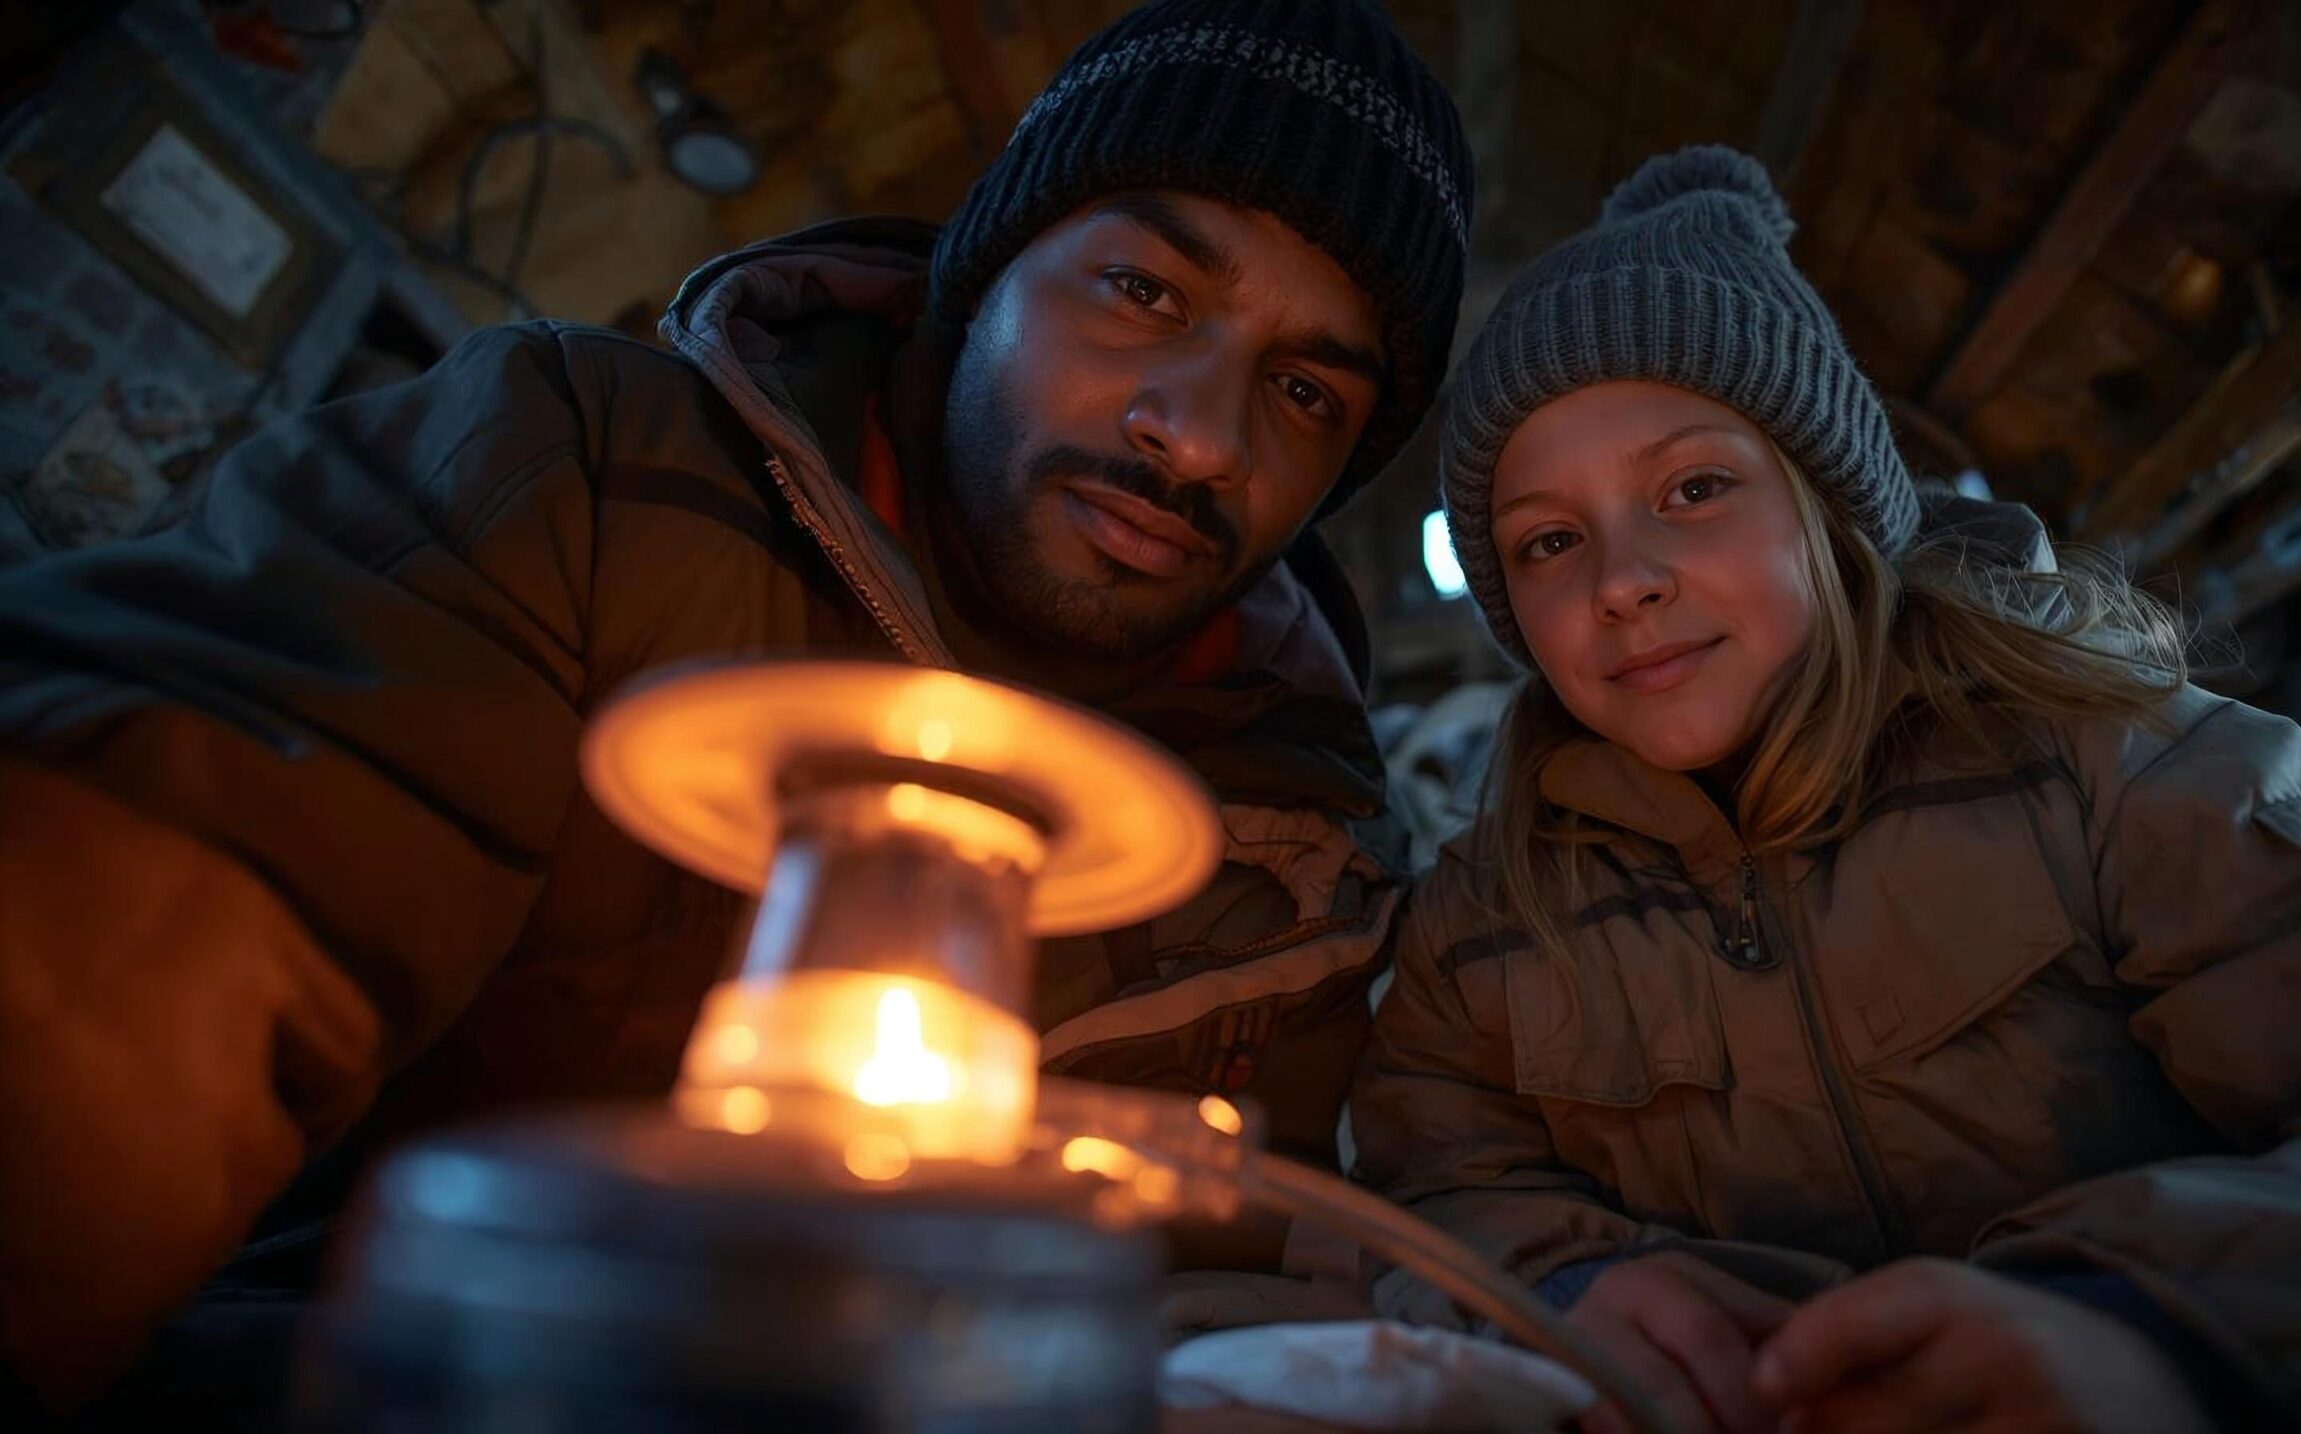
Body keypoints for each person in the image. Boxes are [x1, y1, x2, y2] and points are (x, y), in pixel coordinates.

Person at [0, 0, 1472, 1408]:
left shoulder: (1300, 877)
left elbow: (1186, 1305)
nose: (1199, 433)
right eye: (1145, 290)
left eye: (1304, 395)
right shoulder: (579, 483)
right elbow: (175, 898)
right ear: (985, 268)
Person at [1351, 146, 2301, 1433]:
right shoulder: (1486, 921)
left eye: (1693, 488)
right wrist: (1572, 1281)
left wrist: (2148, 1325)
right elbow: (1435, 1190)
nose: (1621, 578)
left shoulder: (2113, 765)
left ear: (1830, 509)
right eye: (1548, 540)